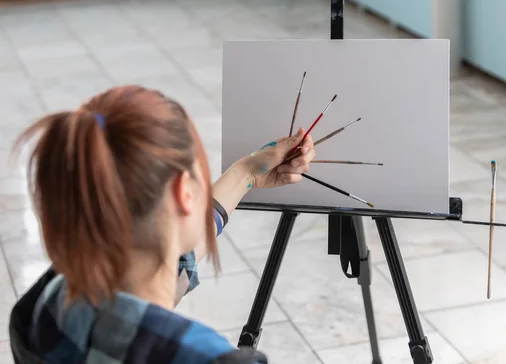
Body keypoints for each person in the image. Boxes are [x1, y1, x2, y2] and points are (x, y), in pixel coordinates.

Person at [8, 85, 316, 364]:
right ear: (184, 192)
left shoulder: (47, 304)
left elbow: (169, 250)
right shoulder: (207, 358)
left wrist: (246, 173)